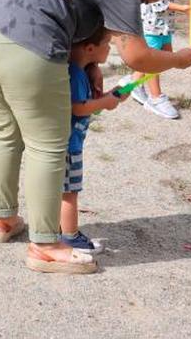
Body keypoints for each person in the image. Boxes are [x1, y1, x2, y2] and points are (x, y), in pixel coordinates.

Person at [0, 0, 191, 274]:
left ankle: (2, 220)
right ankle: (45, 245)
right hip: (27, 41)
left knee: (4, 130)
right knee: (49, 145)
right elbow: (136, 57)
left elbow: (75, 16)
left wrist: (91, 65)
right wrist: (177, 59)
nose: (142, 8)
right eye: (147, 1)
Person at [60, 29, 127, 253]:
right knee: (69, 192)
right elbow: (79, 108)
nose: (110, 48)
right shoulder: (76, 74)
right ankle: (69, 236)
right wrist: (106, 102)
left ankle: (56, 229)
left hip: (66, 143)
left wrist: (111, 96)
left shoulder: (76, 71)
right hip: (69, 146)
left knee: (62, 190)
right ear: (90, 49)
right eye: (108, 43)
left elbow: (86, 103)